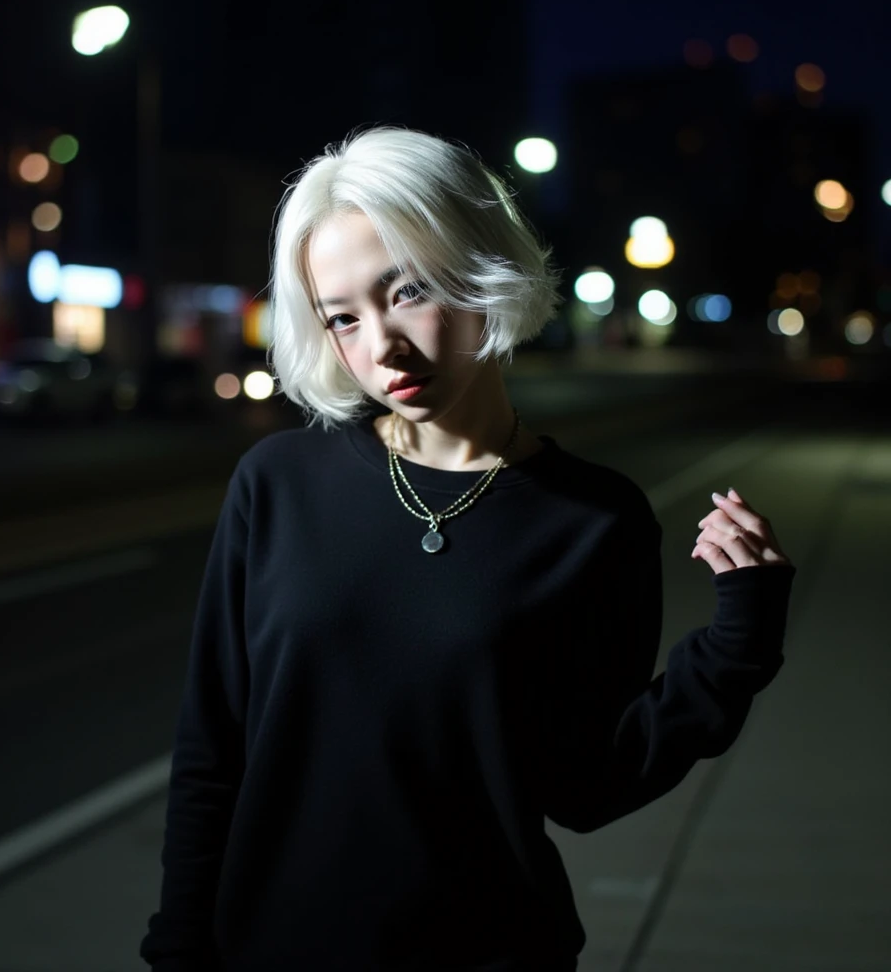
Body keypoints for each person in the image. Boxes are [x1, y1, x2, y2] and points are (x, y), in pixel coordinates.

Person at [139, 127, 796, 971]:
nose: (382, 346)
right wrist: (178, 951)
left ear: (484, 271)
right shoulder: (277, 483)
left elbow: (590, 786)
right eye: (343, 317)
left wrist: (738, 645)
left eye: (408, 291)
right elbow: (210, 753)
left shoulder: (595, 519)